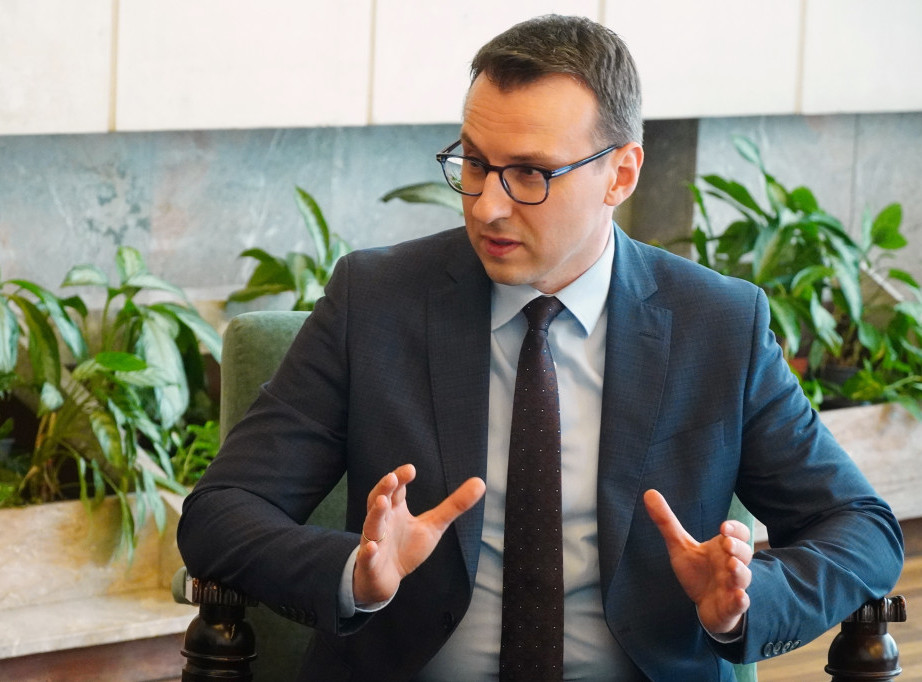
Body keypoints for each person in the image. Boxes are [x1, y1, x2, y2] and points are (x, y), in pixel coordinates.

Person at [177, 14, 904, 681]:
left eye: (529, 173)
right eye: (474, 163)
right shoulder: (376, 302)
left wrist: (746, 603)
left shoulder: (716, 325)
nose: (487, 205)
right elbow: (221, 510)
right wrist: (355, 574)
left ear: (621, 174)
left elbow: (863, 530)